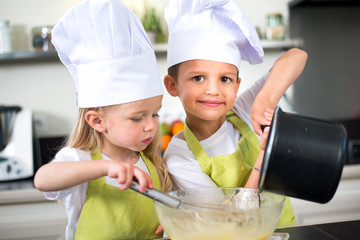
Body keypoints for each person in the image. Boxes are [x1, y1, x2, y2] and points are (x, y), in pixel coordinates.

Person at [33, 0, 172, 239]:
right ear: (98, 121)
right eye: (137, 118)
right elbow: (43, 179)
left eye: (155, 113)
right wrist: (107, 167)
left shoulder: (152, 163)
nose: (151, 125)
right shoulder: (80, 159)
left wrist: (168, 223)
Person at [163, 0, 307, 226]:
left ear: (237, 85)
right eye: (198, 77)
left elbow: (297, 56)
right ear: (173, 85)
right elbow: (229, 218)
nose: (213, 90)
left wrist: (266, 99)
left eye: (225, 79)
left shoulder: (243, 110)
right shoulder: (179, 157)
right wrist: (264, 156)